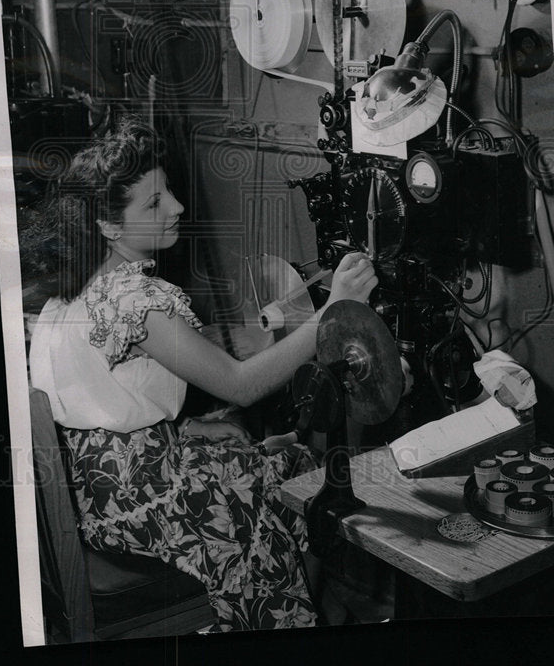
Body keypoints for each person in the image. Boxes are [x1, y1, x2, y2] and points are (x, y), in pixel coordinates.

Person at [24, 117, 378, 633]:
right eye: (154, 203)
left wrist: (187, 428)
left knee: (271, 456)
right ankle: (285, 616)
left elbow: (94, 394)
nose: (177, 208)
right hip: (137, 497)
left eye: (167, 192)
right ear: (108, 226)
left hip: (98, 488)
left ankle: (304, 601)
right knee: (303, 474)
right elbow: (241, 385)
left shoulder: (70, 287)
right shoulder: (134, 300)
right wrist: (336, 310)